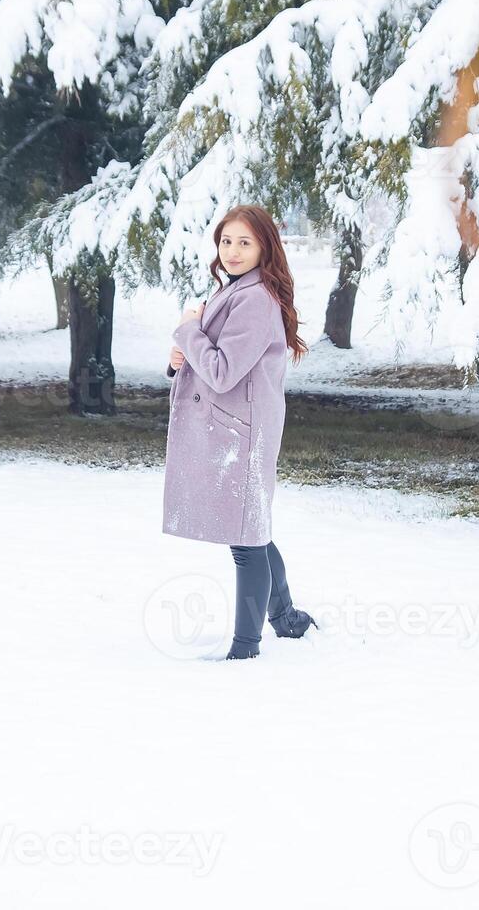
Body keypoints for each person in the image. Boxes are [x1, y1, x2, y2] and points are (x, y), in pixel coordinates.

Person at [162, 205, 315, 661]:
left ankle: (246, 648)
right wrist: (180, 358)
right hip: (237, 427)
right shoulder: (240, 290)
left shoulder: (254, 299)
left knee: (247, 541)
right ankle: (286, 617)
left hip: (241, 433)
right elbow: (219, 359)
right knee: (253, 531)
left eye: (244, 242)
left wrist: (189, 328)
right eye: (226, 241)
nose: (232, 251)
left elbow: (224, 371)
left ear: (265, 246)